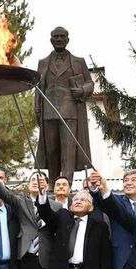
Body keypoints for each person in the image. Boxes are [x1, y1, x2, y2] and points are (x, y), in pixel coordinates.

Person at [34, 26, 94, 181]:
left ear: (68, 39)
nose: (59, 39)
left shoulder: (78, 62)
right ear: (51, 40)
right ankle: (54, 183)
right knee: (51, 149)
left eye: (62, 36)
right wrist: (37, 109)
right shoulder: (43, 63)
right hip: (48, 110)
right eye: (56, 36)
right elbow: (39, 88)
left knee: (68, 150)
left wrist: (81, 90)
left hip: (70, 111)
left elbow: (90, 83)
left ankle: (66, 183)